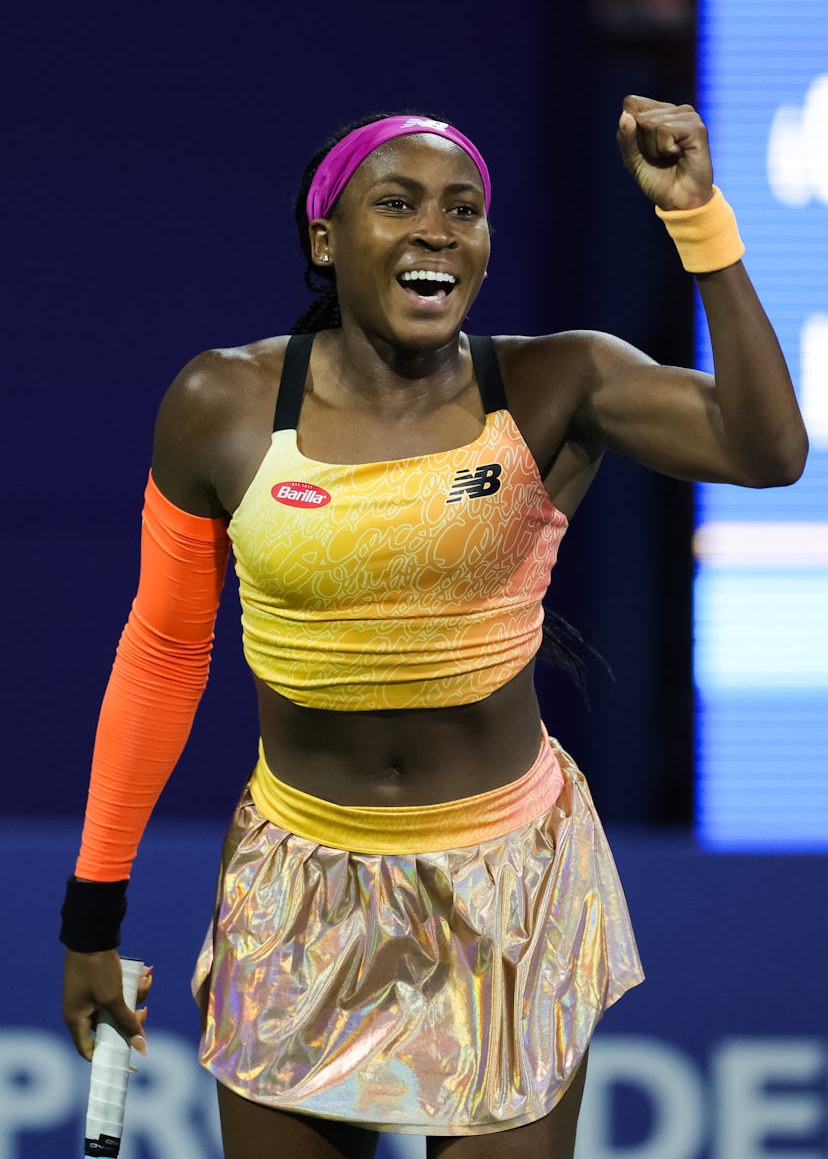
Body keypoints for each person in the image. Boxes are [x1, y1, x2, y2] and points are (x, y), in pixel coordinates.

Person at [60, 96, 808, 1159]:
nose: (436, 230)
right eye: (398, 203)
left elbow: (767, 449)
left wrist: (700, 219)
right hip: (297, 887)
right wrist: (91, 919)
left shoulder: (560, 383)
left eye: (466, 209)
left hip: (511, 888)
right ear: (326, 241)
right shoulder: (219, 404)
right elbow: (165, 653)